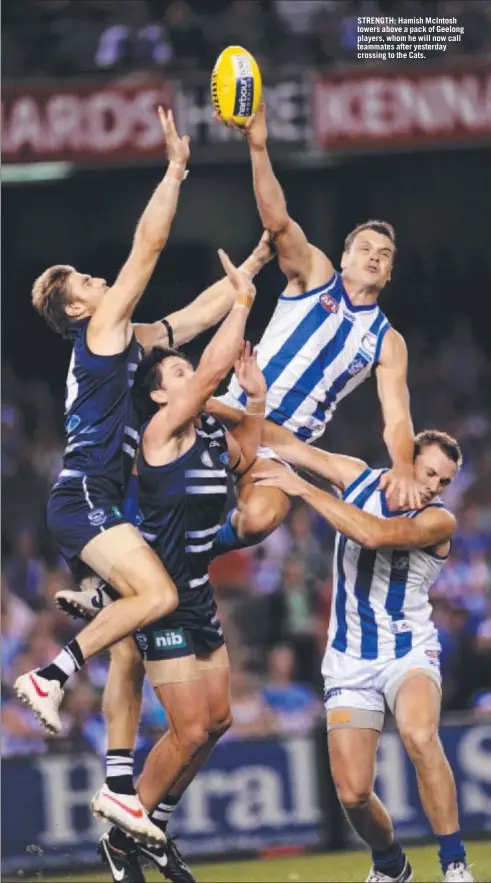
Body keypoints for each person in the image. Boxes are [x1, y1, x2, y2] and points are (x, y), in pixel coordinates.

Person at [13, 106, 271, 845]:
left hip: (96, 500)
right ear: (76, 308)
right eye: (87, 282)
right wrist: (175, 170)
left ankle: (121, 783)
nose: (100, 280)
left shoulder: (126, 341)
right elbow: (148, 247)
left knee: (133, 631)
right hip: (87, 497)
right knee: (156, 593)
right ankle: (51, 672)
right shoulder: (99, 331)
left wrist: (248, 273)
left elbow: (188, 317)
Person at [98, 259, 266, 882]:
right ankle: (125, 833)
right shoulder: (162, 430)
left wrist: (253, 397)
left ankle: (154, 826)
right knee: (189, 725)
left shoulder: (209, 433)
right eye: (177, 370)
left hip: (197, 591)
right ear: (161, 394)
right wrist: (242, 301)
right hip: (159, 595)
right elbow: (214, 369)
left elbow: (249, 445)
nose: (189, 372)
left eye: (187, 366)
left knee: (218, 720)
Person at [253, 429, 474, 883]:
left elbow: (375, 534)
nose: (435, 485)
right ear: (403, 459)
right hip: (349, 659)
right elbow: (285, 444)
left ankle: (455, 865)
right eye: (429, 472)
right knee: (353, 794)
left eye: (445, 481)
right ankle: (391, 864)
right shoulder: (356, 477)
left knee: (418, 734)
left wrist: (301, 488)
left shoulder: (439, 521)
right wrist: (229, 405)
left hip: (407, 649)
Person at [208, 103, 419, 561]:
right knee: (159, 456)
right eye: (364, 247)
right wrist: (258, 146)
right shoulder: (317, 273)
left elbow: (398, 417)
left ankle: (198, 551)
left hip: (286, 443)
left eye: (384, 255)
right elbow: (278, 221)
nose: (375, 256)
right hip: (234, 410)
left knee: (260, 519)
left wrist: (403, 465)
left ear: (389, 276)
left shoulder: (388, 341)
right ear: (344, 258)